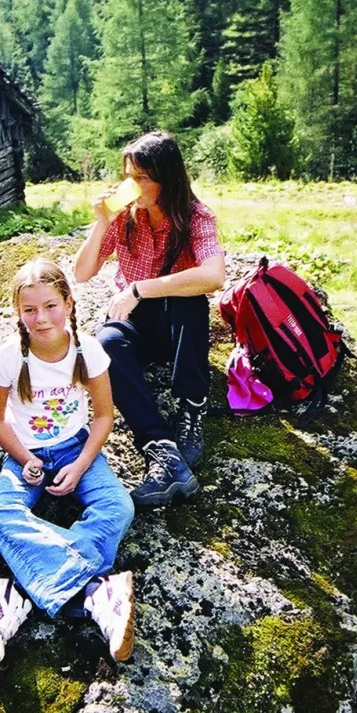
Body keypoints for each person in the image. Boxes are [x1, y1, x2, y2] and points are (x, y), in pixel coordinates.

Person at [0, 258, 135, 665]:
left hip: (75, 448)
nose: (40, 317)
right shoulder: (8, 358)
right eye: (29, 309)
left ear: (68, 302)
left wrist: (82, 464)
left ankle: (19, 594)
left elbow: (104, 416)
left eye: (50, 305)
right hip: (26, 455)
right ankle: (95, 594)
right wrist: (25, 458)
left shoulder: (89, 351)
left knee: (118, 506)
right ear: (18, 312)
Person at [74, 132, 226, 507]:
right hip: (135, 323)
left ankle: (191, 409)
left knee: (190, 303)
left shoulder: (195, 216)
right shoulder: (125, 217)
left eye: (142, 178)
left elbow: (214, 276)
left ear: (167, 178)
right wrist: (101, 222)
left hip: (176, 324)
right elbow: (81, 272)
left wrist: (140, 288)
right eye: (129, 176)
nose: (133, 186)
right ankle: (161, 449)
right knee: (104, 344)